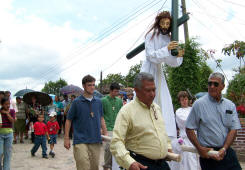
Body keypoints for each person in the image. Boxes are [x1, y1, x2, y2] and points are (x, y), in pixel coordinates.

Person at [110, 72, 172, 170]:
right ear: (137, 91)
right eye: (148, 90)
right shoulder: (127, 111)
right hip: (140, 165)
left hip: (162, 165)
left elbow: (162, 131)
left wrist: (167, 146)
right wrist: (129, 163)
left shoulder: (156, 108)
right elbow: (116, 142)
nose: (152, 94)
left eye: (154, 90)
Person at [140, 11, 184, 139]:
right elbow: (151, 56)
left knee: (164, 100)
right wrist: (167, 49)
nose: (165, 26)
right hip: (148, 70)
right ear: (158, 23)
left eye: (167, 23)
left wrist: (177, 56)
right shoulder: (151, 36)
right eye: (163, 23)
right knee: (146, 98)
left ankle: (163, 133)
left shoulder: (168, 39)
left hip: (159, 73)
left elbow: (170, 62)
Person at [186, 72, 242, 170]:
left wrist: (224, 148)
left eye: (215, 84)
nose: (212, 86)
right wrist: (200, 149)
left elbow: (233, 129)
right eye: (209, 83)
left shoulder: (230, 105)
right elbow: (189, 128)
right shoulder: (199, 104)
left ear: (223, 86)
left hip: (227, 152)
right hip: (209, 155)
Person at [64, 75, 108, 170]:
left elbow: (101, 118)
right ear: (83, 86)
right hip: (80, 140)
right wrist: (66, 138)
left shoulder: (98, 102)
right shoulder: (76, 102)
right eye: (89, 85)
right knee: (83, 167)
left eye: (93, 85)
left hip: (95, 140)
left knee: (94, 167)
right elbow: (68, 120)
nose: (92, 87)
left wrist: (105, 133)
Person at [175, 91, 200, 170]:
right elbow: (186, 121)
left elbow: (199, 119)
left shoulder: (192, 109)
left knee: (197, 160)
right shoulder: (178, 111)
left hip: (196, 138)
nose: (184, 101)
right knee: (188, 160)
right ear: (180, 101)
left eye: (186, 99)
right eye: (182, 100)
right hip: (185, 139)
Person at [101, 82, 123, 170]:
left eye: (118, 92)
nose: (116, 93)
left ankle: (115, 167)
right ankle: (106, 166)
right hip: (107, 128)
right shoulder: (103, 100)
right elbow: (100, 115)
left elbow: (122, 115)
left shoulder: (119, 101)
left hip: (117, 128)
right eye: (115, 91)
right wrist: (102, 129)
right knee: (108, 149)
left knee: (118, 149)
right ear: (110, 91)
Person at [0, 97, 16, 170]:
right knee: (0, 152)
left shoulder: (12, 111)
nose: (8, 105)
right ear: (2, 104)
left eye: (9, 104)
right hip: (0, 134)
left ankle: (6, 168)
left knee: (7, 153)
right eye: (6, 104)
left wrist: (7, 113)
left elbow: (12, 121)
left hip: (9, 134)